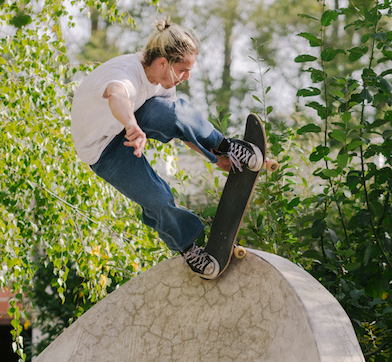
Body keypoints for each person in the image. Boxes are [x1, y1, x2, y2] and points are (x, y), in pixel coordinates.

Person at [70, 18, 263, 280]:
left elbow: (177, 125)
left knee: (173, 110)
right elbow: (117, 95)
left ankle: (227, 146)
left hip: (133, 121)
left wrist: (214, 157)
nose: (186, 77)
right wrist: (130, 125)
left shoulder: (163, 83)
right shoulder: (127, 72)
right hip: (101, 148)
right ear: (163, 62)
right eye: (183, 70)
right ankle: (189, 249)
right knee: (157, 199)